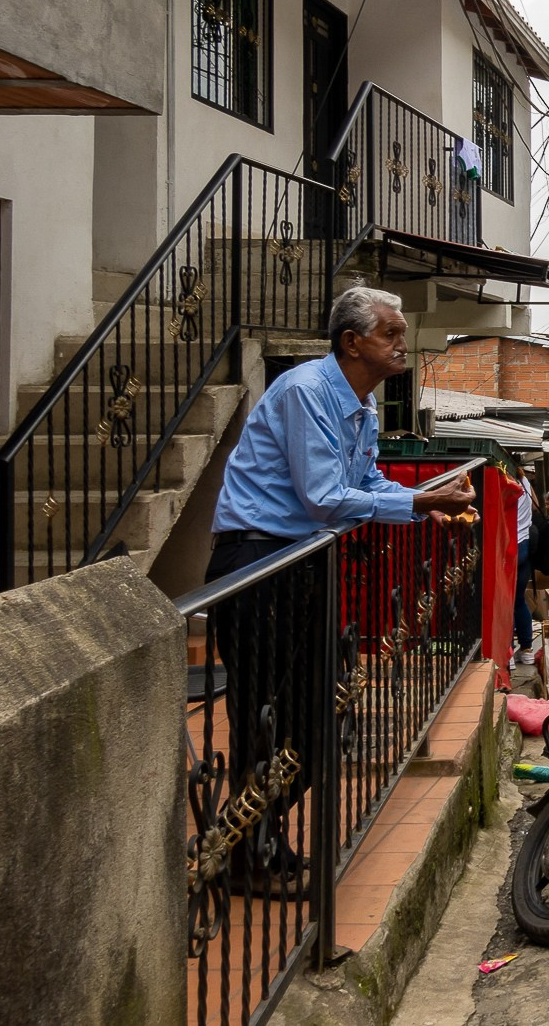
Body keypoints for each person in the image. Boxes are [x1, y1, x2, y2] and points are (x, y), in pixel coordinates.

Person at [205, 286, 475, 897]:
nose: (401, 345)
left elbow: (366, 479)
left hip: (299, 562)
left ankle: (245, 839)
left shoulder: (363, 404)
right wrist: (421, 498)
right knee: (263, 716)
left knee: (318, 714)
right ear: (352, 342)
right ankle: (250, 853)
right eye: (390, 334)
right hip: (256, 560)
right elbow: (324, 498)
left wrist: (420, 507)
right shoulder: (306, 392)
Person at [512, 471, 539, 665]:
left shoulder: (506, 484)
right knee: (519, 599)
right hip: (527, 545)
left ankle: (507, 651)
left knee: (505, 601)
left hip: (511, 546)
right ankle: (527, 649)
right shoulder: (525, 483)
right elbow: (537, 506)